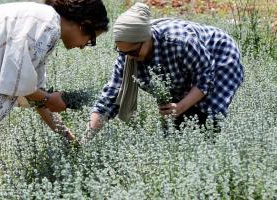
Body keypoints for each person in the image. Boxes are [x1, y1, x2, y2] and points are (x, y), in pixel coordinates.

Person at [0, 0, 109, 196]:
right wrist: (48, 98)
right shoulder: (47, 23)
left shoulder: (42, 22)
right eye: (91, 40)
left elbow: (34, 93)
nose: (84, 47)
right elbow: (18, 80)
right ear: (84, 24)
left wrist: (69, 138)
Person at [81, 2, 243, 143]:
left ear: (147, 38)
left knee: (206, 119)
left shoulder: (179, 42)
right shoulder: (128, 56)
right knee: (174, 129)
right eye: (122, 52)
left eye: (133, 52)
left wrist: (181, 106)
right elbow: (110, 98)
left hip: (220, 56)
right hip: (184, 70)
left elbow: (205, 78)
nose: (129, 57)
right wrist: (85, 140)